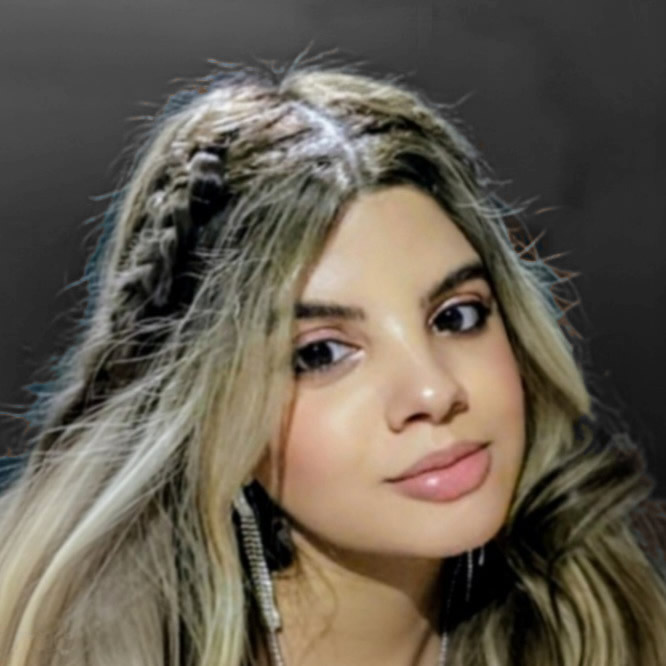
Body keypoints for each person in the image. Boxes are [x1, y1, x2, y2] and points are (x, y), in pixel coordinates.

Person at [0, 50, 665, 666]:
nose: (433, 393)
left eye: (456, 316)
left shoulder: (613, 628)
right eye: (321, 353)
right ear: (208, 409)